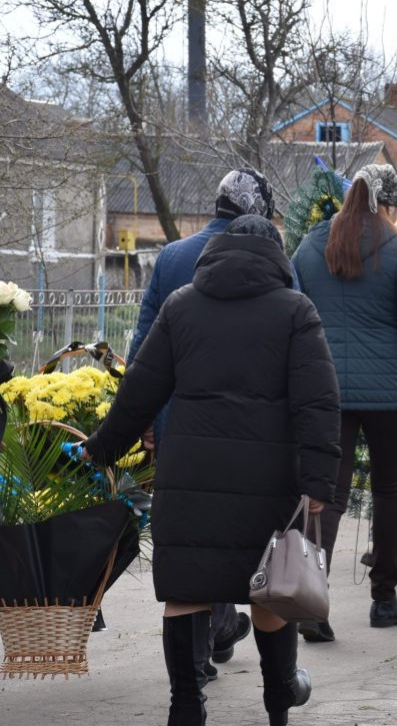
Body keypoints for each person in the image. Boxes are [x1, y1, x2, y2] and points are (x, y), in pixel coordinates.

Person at [84, 215, 340, 726]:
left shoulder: (181, 306)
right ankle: (279, 698)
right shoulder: (295, 310)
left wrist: (100, 451)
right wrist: (317, 483)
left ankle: (186, 706)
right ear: (276, 256)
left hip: (189, 471)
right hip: (266, 475)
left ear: (217, 251)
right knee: (269, 588)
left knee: (186, 590)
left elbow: (140, 391)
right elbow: (318, 402)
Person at [126, 168, 277, 675]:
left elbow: (143, 344)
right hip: (250, 419)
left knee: (193, 530)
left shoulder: (171, 256)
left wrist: (143, 416)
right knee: (234, 522)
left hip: (179, 417)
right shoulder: (272, 259)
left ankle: (208, 635)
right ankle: (221, 623)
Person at [292, 164, 397, 639]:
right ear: (390, 205)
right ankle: (384, 599)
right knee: (389, 489)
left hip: (325, 388)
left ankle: (312, 602)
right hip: (390, 393)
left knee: (325, 493)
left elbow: (295, 315)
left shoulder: (312, 247)